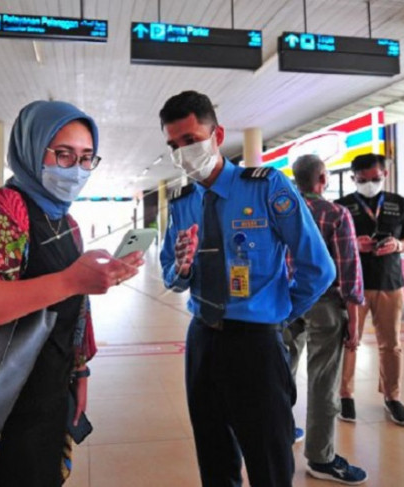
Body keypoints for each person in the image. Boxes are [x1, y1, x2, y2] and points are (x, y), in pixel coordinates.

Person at [0, 100, 145, 487]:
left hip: (45, 394)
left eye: (87, 158)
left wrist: (79, 370)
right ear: (31, 150)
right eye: (63, 155)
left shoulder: (66, 223)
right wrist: (71, 280)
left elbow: (71, 308)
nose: (75, 170)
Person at [158, 90, 336, 487]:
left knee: (268, 460)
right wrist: (182, 270)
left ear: (217, 134)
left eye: (190, 140)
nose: (183, 153)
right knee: (214, 455)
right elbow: (170, 272)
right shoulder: (183, 200)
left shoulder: (266, 186)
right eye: (173, 145)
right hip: (201, 339)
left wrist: (278, 313)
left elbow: (318, 268)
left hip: (255, 344)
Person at [285, 154, 367, 485]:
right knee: (322, 380)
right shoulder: (336, 213)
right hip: (324, 303)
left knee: (282, 368)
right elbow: (348, 268)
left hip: (285, 302)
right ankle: (321, 457)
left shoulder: (282, 210)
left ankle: (283, 430)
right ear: (323, 178)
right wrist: (355, 318)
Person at [336, 153, 404, 427]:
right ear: (353, 178)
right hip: (353, 284)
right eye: (362, 180)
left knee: (391, 344)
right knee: (349, 342)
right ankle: (345, 395)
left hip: (390, 283)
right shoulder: (343, 206)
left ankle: (392, 397)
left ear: (385, 175)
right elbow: (330, 243)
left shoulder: (399, 203)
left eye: (375, 179)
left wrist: (398, 245)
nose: (369, 184)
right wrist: (353, 245)